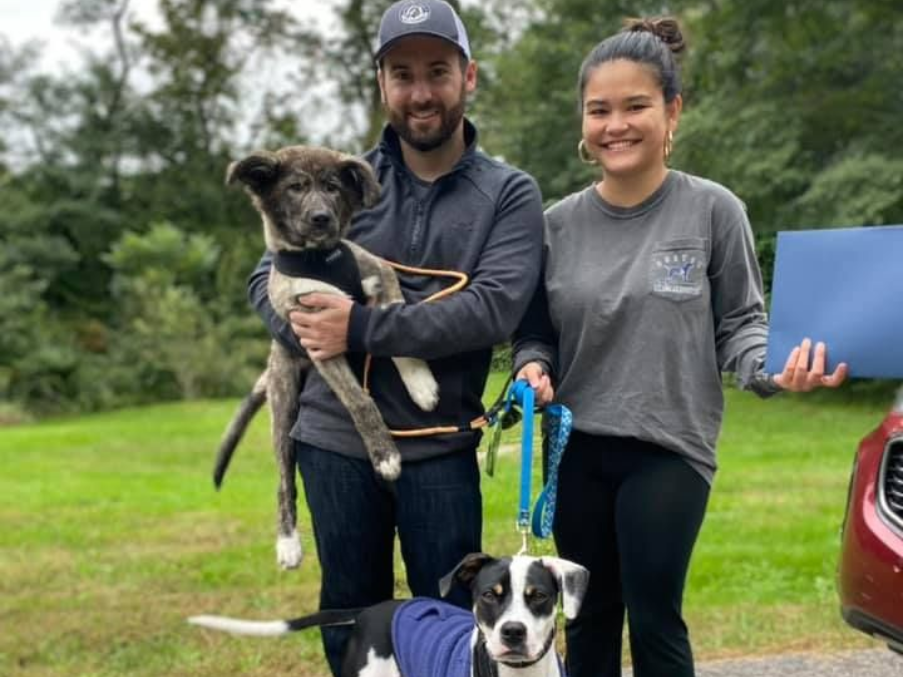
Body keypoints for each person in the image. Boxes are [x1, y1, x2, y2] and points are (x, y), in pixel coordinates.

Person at [512, 17, 846, 677]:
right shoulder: (553, 225)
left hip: (669, 448)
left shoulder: (713, 211)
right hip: (573, 450)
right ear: (581, 123)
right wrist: (533, 365)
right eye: (598, 110)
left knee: (653, 610)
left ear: (671, 112)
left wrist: (775, 369)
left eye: (635, 106)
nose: (616, 124)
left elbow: (741, 326)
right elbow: (536, 332)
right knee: (589, 615)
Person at [248, 1, 543, 674]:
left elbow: (491, 309)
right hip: (332, 444)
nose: (419, 92)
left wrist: (355, 324)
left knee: (449, 623)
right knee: (351, 622)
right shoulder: (337, 179)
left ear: (467, 77)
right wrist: (300, 329)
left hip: (440, 448)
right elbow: (264, 279)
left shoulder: (507, 194)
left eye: (436, 71)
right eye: (401, 73)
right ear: (381, 83)